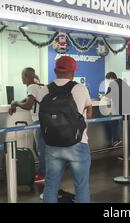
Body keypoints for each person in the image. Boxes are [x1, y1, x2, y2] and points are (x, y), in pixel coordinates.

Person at [36, 56, 93, 203]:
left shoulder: (43, 90)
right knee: (81, 187)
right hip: (78, 143)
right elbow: (90, 113)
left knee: (50, 186)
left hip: (52, 144)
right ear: (73, 71)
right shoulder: (80, 89)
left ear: (55, 70)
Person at [8, 67, 46, 183]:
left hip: (39, 122)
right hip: (45, 121)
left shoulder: (31, 86)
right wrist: (16, 102)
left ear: (27, 76)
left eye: (22, 76)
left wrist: (16, 103)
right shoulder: (39, 86)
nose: (21, 78)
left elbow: (28, 105)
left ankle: (43, 174)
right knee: (38, 147)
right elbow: (27, 99)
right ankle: (44, 171)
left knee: (41, 149)